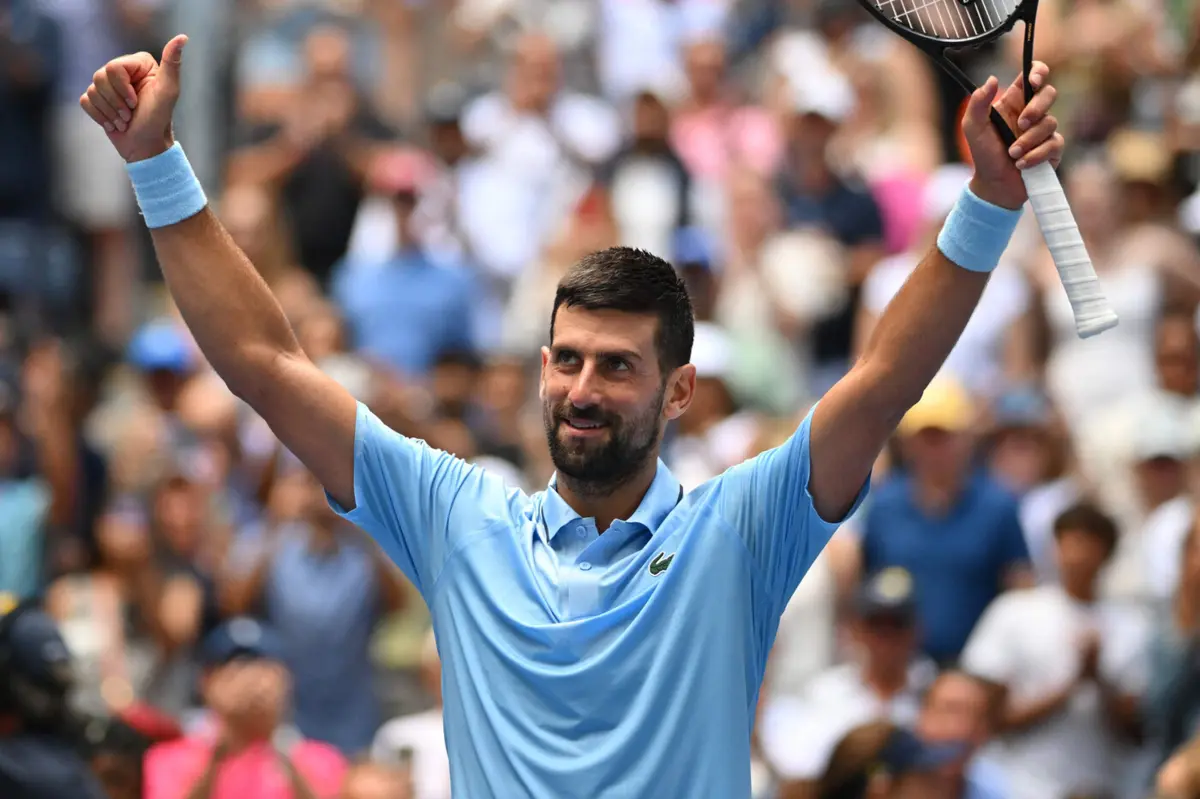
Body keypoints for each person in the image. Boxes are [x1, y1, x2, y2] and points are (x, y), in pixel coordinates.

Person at [79, 34, 1065, 798]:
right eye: (570, 360)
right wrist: (156, 158)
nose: (585, 389)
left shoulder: (740, 529)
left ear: (679, 392)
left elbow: (885, 378)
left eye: (620, 367)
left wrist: (985, 196)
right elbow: (263, 362)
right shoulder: (457, 516)